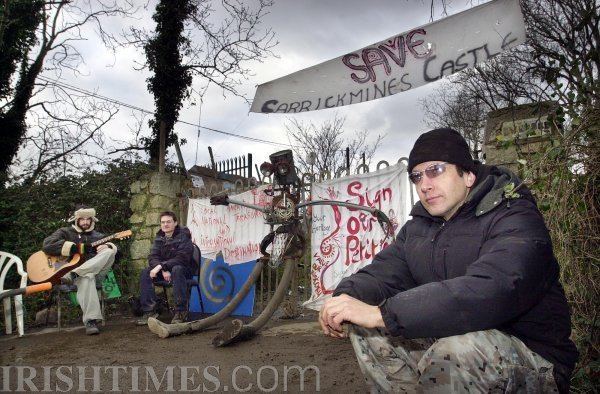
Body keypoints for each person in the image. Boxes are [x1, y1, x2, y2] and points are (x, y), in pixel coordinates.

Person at [319, 128, 578, 393]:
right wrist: (344, 298)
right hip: (453, 342)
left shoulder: (513, 216)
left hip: (533, 359)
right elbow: (383, 274)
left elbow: (494, 288)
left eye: (436, 170)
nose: (425, 184)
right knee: (368, 332)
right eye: (417, 176)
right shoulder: (420, 228)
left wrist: (383, 313)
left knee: (458, 351)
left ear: (468, 175)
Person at [43, 205, 117, 335]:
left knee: (110, 251)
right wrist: (76, 248)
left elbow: (119, 253)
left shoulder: (99, 236)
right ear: (76, 220)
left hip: (97, 273)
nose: (85, 222)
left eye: (88, 219)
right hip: (77, 276)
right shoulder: (64, 232)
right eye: (82, 219)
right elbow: (47, 245)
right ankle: (91, 321)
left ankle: (75, 274)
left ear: (92, 220)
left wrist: (108, 245)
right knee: (86, 278)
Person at [136, 211, 194, 325]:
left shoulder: (184, 237)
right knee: (145, 272)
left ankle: (181, 311)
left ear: (175, 223)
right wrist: (163, 269)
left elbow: (181, 258)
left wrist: (162, 266)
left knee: (177, 269)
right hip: (165, 270)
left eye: (168, 222)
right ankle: (150, 311)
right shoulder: (159, 238)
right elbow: (153, 257)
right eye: (163, 222)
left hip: (183, 271)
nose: (165, 225)